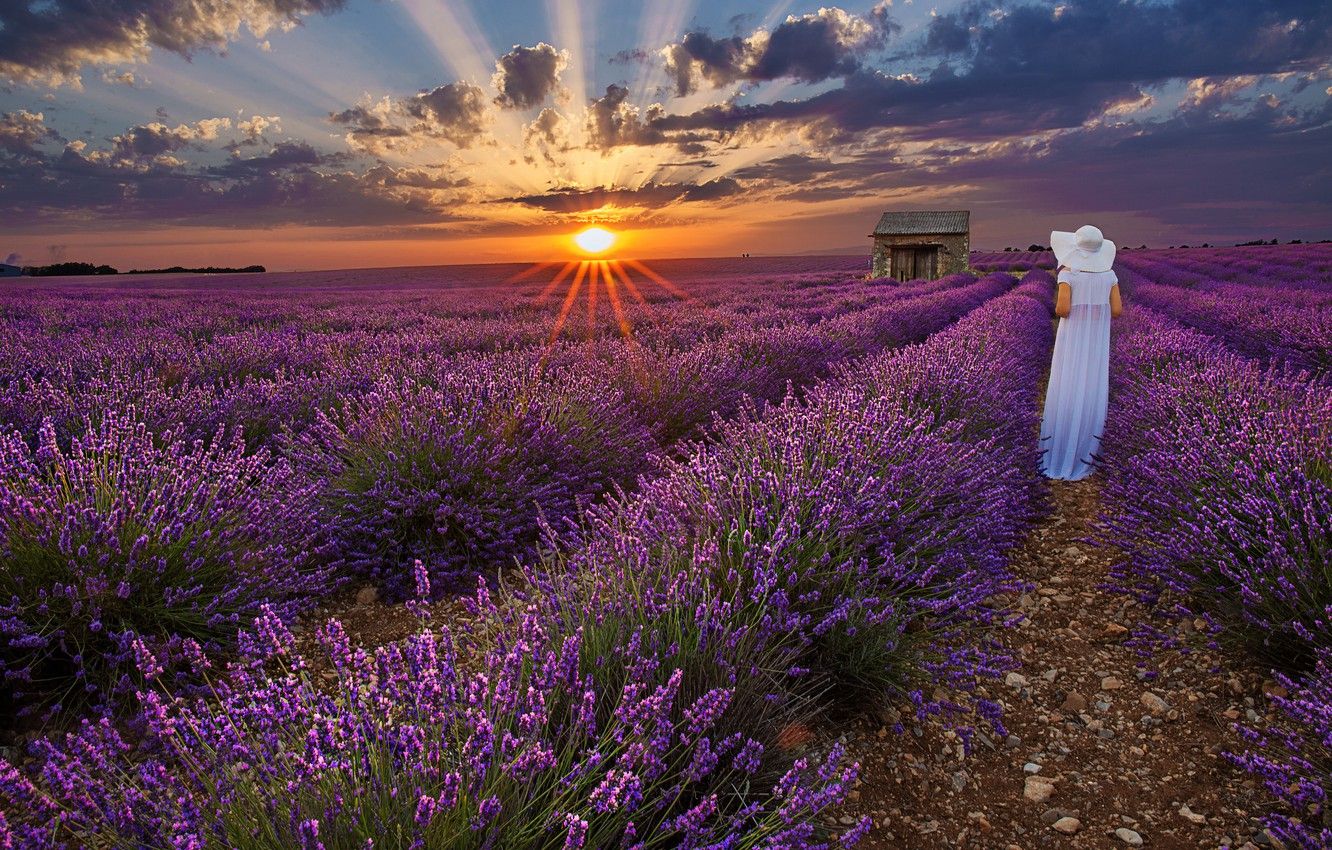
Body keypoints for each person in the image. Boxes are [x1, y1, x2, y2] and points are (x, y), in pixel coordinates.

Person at [1038, 224, 1123, 480]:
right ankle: (1087, 452)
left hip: (1072, 336)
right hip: (1096, 337)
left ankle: (1061, 452)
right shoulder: (1109, 275)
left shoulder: (1068, 274)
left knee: (1068, 385)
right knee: (1090, 386)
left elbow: (1062, 310)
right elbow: (1116, 310)